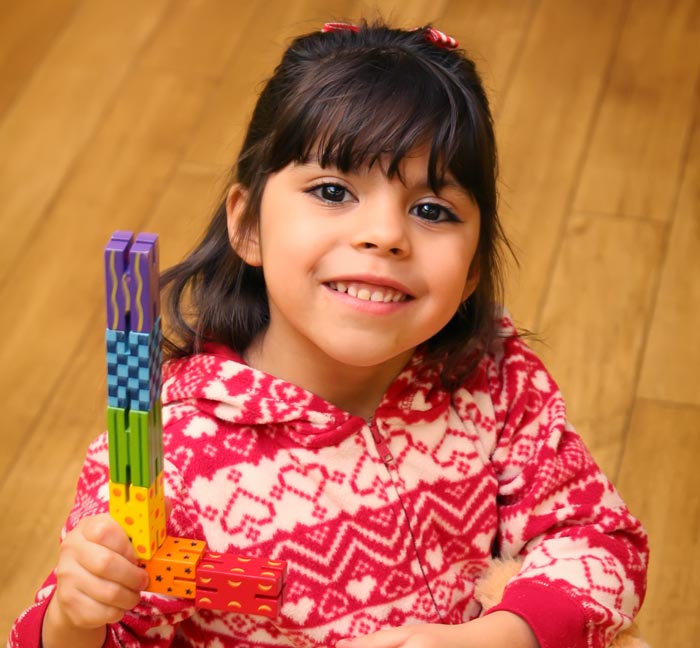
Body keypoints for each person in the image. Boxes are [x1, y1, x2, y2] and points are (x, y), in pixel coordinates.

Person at [10, 20, 648, 648]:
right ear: (248, 226)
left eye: (431, 210)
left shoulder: (495, 379)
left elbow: (602, 543)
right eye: (333, 190)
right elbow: (107, 629)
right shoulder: (173, 452)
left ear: (475, 266)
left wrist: (500, 636)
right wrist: (76, 620)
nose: (385, 235)